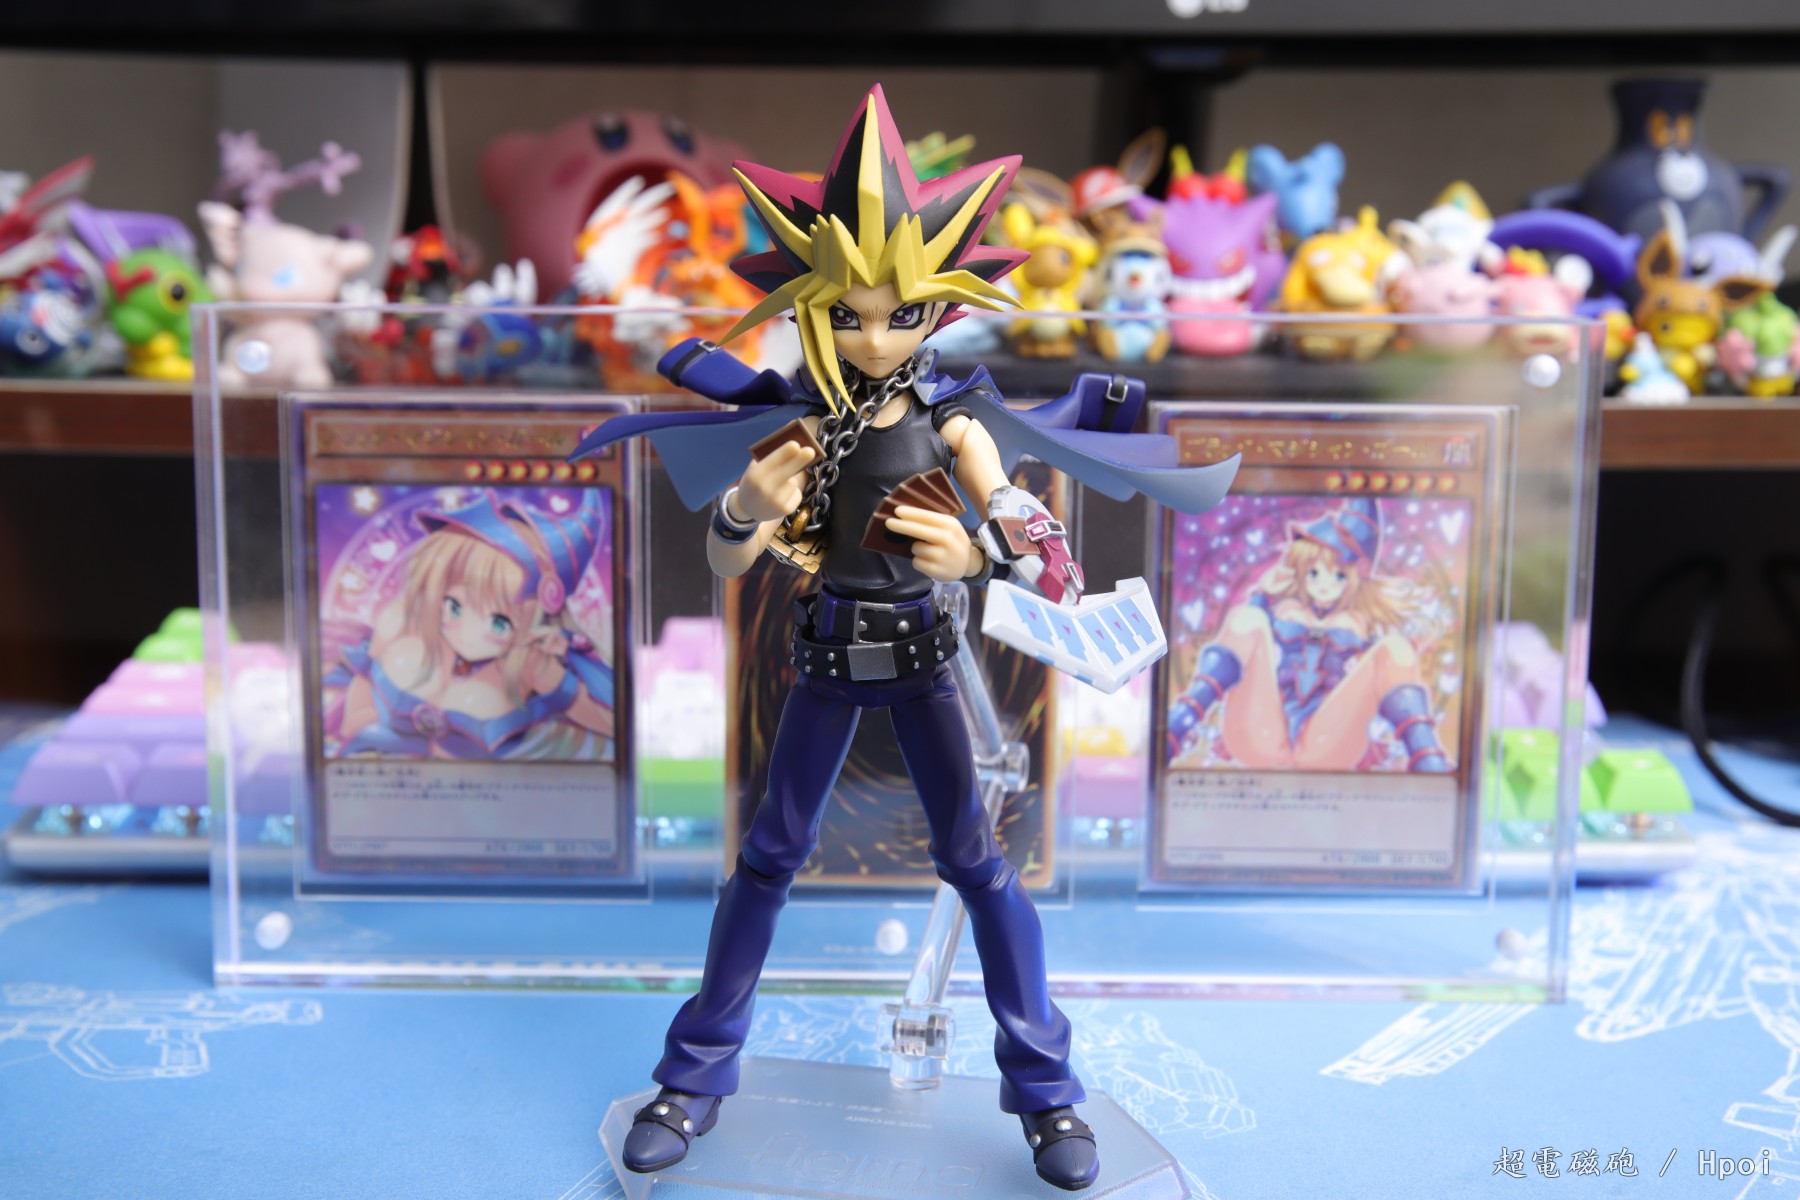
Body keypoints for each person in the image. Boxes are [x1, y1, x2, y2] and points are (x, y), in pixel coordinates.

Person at [571, 85, 1238, 1192]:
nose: (875, 336)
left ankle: (1048, 1092)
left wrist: (977, 556)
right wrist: (744, 506)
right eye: (848, 314)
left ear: (940, 309)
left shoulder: (955, 421)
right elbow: (729, 565)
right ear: (810, 306)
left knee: (980, 866)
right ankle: (692, 1078)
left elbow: (1038, 554)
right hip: (826, 660)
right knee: (766, 863)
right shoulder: (796, 420)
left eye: (903, 313)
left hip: (927, 662)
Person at [1166, 496, 1451, 774]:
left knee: (1396, 648)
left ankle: (1429, 760)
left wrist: (1397, 652)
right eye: (1314, 573)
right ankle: (1178, 724)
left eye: (1339, 576)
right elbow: (1246, 636)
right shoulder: (1280, 611)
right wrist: (1263, 596)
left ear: (1356, 578)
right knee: (1247, 618)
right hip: (1262, 736)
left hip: (1326, 744)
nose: (1325, 585)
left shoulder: (1359, 626)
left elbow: (1386, 664)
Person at [327, 489, 615, 762]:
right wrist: (362, 729)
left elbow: (611, 724)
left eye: (500, 623)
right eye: (453, 606)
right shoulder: (408, 628)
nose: (466, 633)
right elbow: (364, 679)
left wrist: (554, 679)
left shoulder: (531, 666)